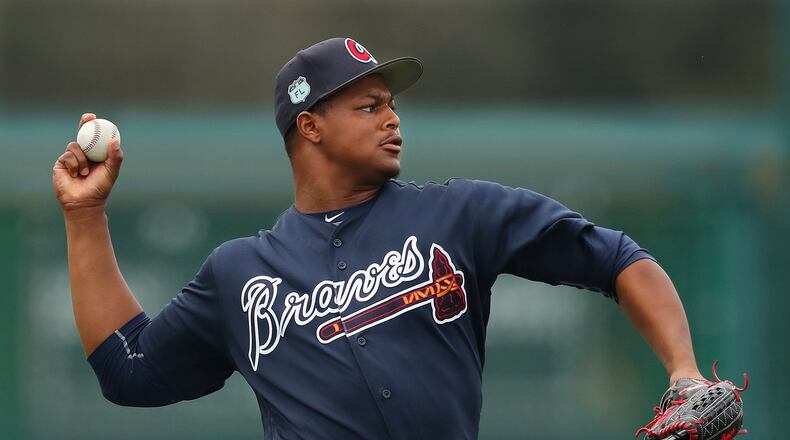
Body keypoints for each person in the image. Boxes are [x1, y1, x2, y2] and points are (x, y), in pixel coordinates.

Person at [53, 37, 708, 439]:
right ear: (309, 127)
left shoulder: (462, 213)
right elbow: (127, 368)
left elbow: (617, 258)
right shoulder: (241, 273)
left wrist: (685, 374)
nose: (392, 118)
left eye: (392, 105)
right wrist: (85, 218)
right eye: (368, 107)